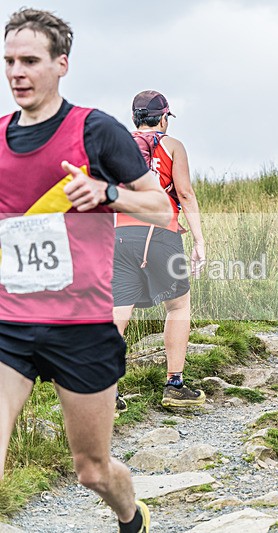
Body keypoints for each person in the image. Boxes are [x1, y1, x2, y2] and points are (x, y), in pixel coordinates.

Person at [0, 8, 171, 533]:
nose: (16, 73)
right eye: (9, 61)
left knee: (91, 470)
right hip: (11, 319)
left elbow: (162, 208)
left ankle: (130, 514)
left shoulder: (95, 131)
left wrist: (106, 192)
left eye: (30, 60)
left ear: (62, 65)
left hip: (81, 324)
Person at [113, 90, 206, 410]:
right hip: (162, 235)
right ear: (164, 118)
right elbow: (186, 194)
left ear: (134, 118)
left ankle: (105, 390)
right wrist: (199, 240)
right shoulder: (173, 146)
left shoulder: (117, 145)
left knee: (118, 311)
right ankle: (175, 385)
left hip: (121, 234)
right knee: (178, 307)